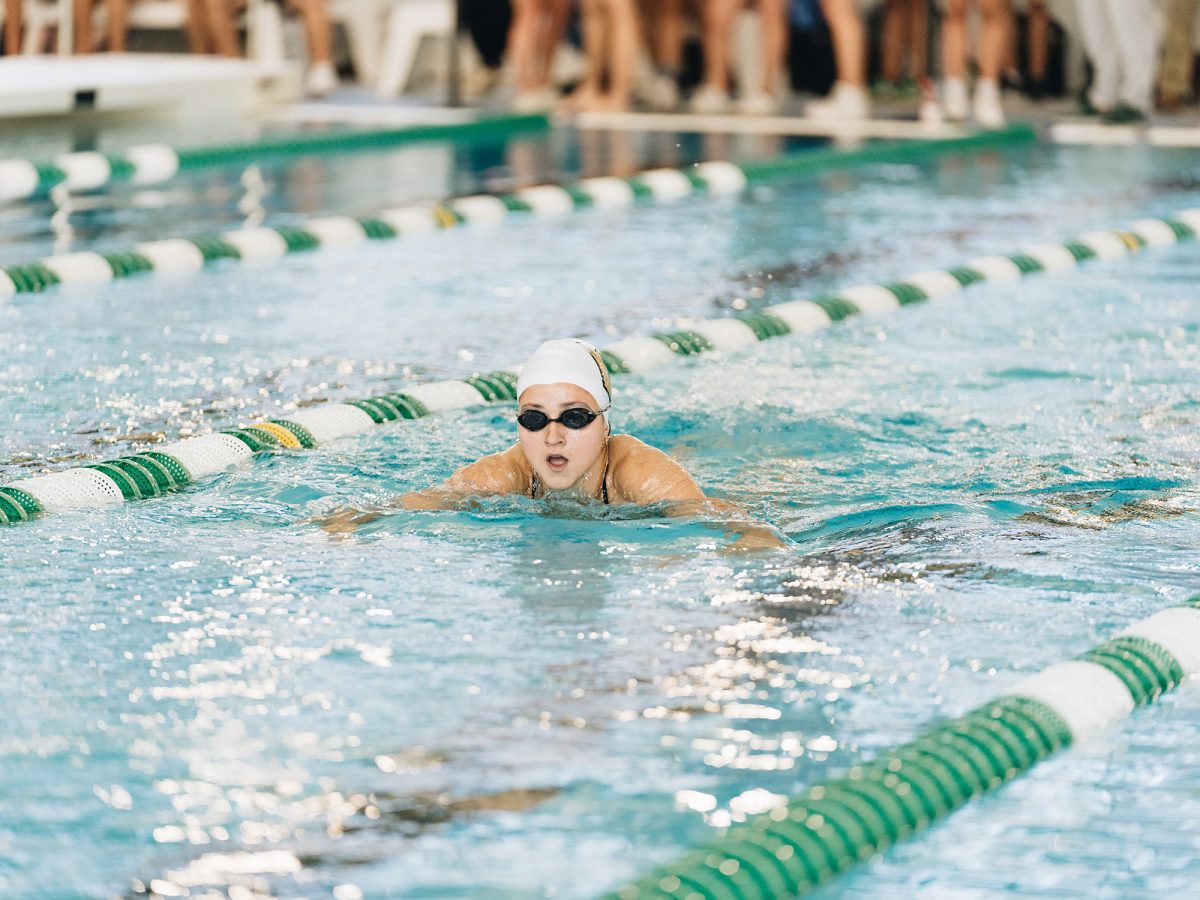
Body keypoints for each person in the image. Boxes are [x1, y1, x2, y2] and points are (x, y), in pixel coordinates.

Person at [319, 339, 784, 550]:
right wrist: (359, 515)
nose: (553, 435)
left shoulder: (639, 472)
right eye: (535, 419)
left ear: (604, 424)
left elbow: (713, 516)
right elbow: (425, 502)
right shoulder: (506, 472)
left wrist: (753, 538)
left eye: (575, 417)